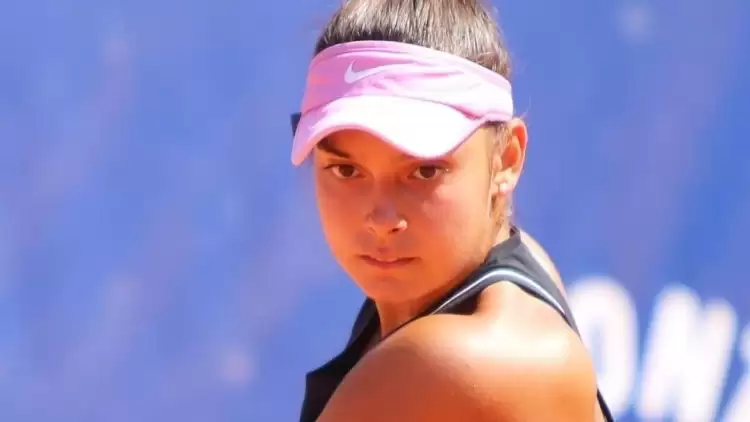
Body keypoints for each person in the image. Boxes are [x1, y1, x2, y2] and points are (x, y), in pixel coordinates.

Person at [289, 0, 615, 420]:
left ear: (507, 159)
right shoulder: (513, 265)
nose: (382, 220)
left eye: (424, 171)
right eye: (346, 170)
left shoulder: (481, 359)